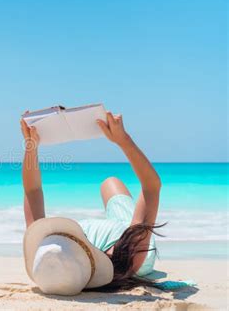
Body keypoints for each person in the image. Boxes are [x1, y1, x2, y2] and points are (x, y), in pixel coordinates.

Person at [20, 111, 163, 291]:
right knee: (111, 182)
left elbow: (32, 190)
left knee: (109, 184)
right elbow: (151, 186)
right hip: (122, 232)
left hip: (97, 236)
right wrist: (123, 140)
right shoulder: (129, 256)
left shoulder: (48, 258)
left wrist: (31, 146)